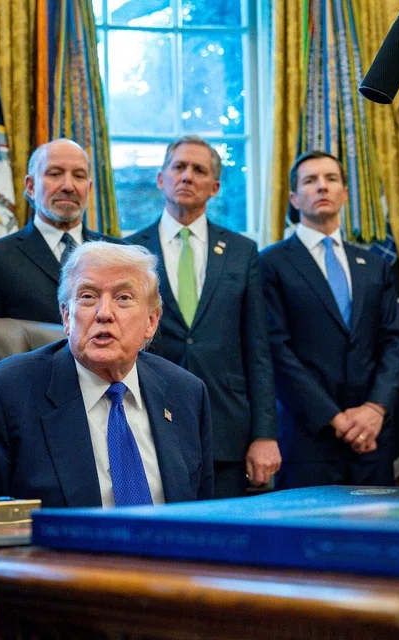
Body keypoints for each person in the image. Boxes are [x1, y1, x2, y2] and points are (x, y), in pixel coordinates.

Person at [0, 241, 214, 507]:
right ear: (67, 317)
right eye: (87, 296)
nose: (104, 313)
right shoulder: (3, 395)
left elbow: (205, 522)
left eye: (123, 298)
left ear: (151, 321)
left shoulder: (186, 394)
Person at [127, 135, 278, 497]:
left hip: (227, 429)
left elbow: (257, 349)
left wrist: (264, 434)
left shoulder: (242, 251)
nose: (187, 176)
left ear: (214, 187)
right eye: (178, 167)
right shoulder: (129, 251)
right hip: (148, 419)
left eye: (199, 170)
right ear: (162, 178)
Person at [258, 150, 399, 489]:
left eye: (331, 179)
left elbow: (394, 342)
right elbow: (276, 350)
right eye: (310, 181)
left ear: (344, 194)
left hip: (372, 437)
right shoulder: (271, 263)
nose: (322, 187)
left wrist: (374, 409)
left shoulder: (374, 265)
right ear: (294, 198)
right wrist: (336, 419)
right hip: (307, 436)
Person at [0, 138, 121, 324]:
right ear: (30, 186)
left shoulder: (119, 254)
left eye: (79, 176)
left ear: (89, 187)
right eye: (55, 174)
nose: (68, 186)